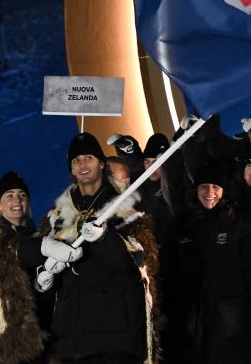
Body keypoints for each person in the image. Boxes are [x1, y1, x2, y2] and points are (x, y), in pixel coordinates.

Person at [43, 132, 159, 363]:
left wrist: (105, 238)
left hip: (114, 340)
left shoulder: (127, 205)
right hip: (71, 342)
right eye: (76, 160)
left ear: (101, 163)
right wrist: (43, 270)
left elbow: (137, 266)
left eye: (88, 157)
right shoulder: (56, 217)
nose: (82, 164)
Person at [0, 172, 81, 363]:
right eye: (9, 195)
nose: (17, 200)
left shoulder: (38, 236)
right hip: (5, 348)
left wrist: (46, 281)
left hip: (43, 343)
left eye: (22, 195)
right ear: (0, 207)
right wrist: (45, 247)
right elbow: (11, 250)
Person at [164, 161, 251, 364]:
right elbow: (168, 270)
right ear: (195, 189)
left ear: (224, 190)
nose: (209, 192)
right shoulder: (181, 224)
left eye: (216, 187)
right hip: (190, 318)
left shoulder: (237, 222)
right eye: (204, 186)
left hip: (229, 319)